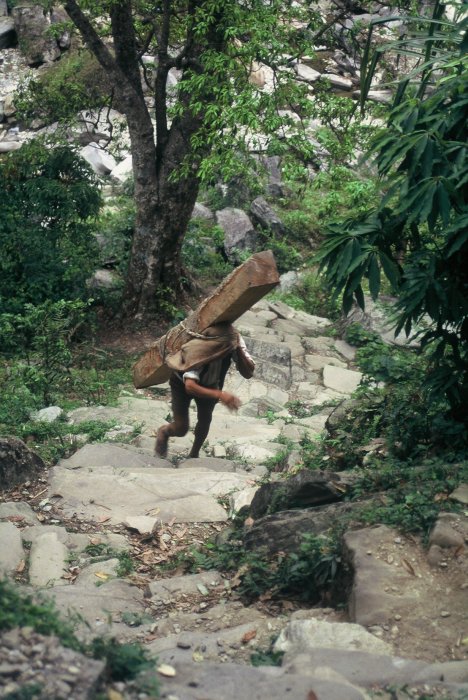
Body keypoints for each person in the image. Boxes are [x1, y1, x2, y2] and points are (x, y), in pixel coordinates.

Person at [154, 322, 255, 459]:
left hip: (211, 382)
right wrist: (221, 395)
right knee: (181, 427)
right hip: (181, 383)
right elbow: (190, 386)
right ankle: (164, 431)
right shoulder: (199, 347)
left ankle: (194, 454)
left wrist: (237, 349)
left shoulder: (233, 339)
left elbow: (248, 372)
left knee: (205, 419)